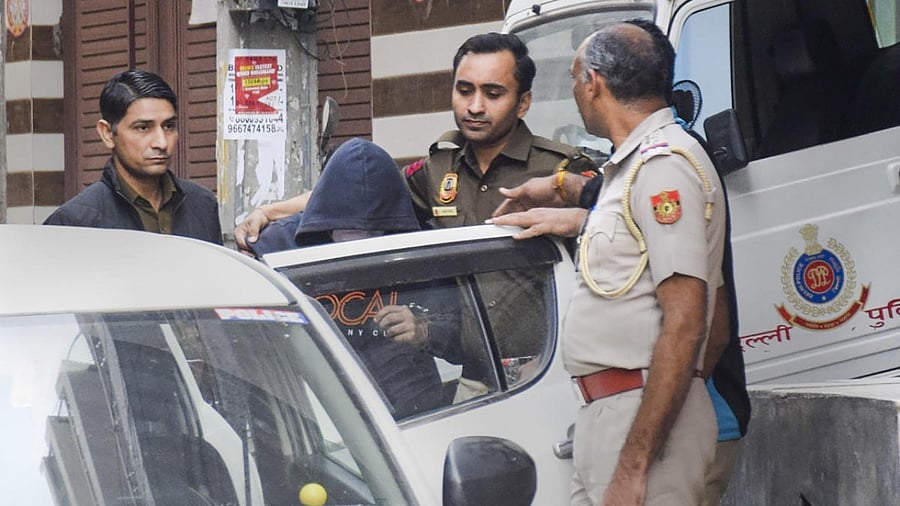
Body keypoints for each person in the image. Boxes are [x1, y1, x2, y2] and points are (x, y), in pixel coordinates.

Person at [492, 20, 726, 504]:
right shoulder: (634, 168)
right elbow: (711, 312)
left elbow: (689, 325)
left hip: (643, 419)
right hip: (619, 415)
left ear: (592, 82)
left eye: (576, 79)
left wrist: (636, 463)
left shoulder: (663, 167)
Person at [232, 32, 596, 252]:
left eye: (493, 93)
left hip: (548, 360)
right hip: (465, 367)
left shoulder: (562, 170)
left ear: (523, 103)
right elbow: (348, 198)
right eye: (464, 90)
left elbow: (618, 238)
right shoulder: (438, 169)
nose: (475, 106)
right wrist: (268, 213)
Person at [251, 137, 458, 419]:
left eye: (373, 235)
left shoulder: (417, 250)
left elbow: (463, 333)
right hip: (319, 407)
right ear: (324, 221)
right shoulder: (279, 248)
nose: (359, 243)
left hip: (412, 407)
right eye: (346, 233)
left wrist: (424, 329)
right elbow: (250, 340)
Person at [44, 70, 222, 244]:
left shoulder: (202, 205)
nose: (161, 142)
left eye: (169, 126)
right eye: (143, 128)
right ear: (107, 133)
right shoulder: (75, 221)